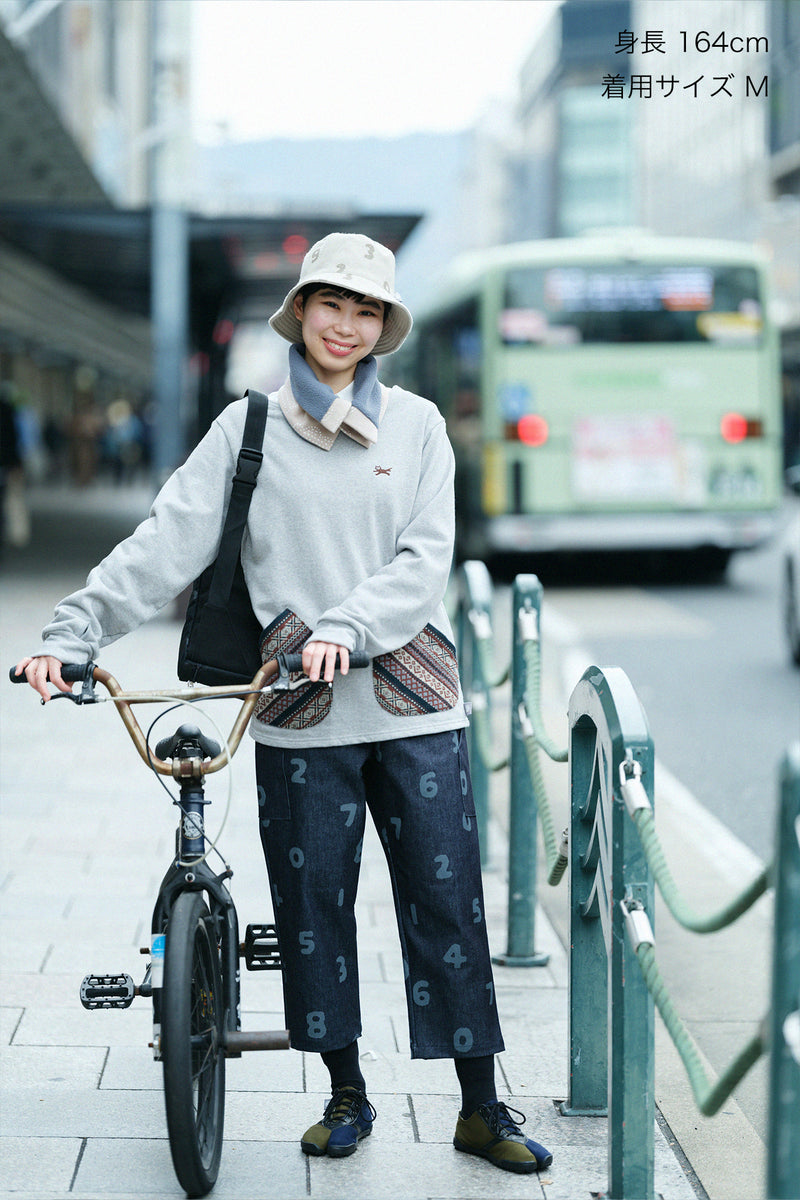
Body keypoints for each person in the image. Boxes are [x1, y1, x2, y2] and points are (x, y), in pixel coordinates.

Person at [15, 232, 552, 1175]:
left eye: (367, 310)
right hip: (298, 709)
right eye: (330, 304)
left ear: (384, 327)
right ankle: (346, 1095)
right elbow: (163, 542)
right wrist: (72, 634)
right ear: (300, 312)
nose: (346, 325)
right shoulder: (247, 427)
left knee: (447, 903)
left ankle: (480, 1104)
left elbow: (426, 562)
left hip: (416, 706)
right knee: (312, 907)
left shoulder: (420, 425)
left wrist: (346, 623)